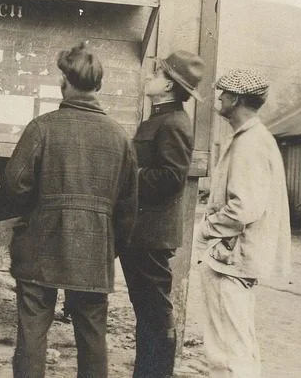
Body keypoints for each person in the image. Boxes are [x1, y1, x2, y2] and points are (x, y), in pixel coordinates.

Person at [4, 42, 138, 378]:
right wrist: (107, 245)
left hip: (41, 244)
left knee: (32, 332)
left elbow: (15, 184)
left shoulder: (42, 127)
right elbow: (127, 208)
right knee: (92, 336)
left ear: (63, 82)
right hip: (93, 250)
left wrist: (36, 214)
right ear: (99, 85)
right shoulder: (120, 137)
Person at [118, 50, 205, 377]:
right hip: (142, 233)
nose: (148, 78)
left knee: (154, 312)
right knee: (147, 311)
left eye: (156, 74)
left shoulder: (173, 123)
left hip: (151, 235)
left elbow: (171, 178)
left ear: (169, 86)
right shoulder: (160, 119)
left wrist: (129, 176)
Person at [200, 69, 291, 377]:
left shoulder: (250, 143)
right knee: (237, 345)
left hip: (233, 261)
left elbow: (243, 209)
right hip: (235, 259)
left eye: (223, 94)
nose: (219, 98)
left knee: (229, 352)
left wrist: (206, 229)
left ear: (236, 99)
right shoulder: (251, 138)